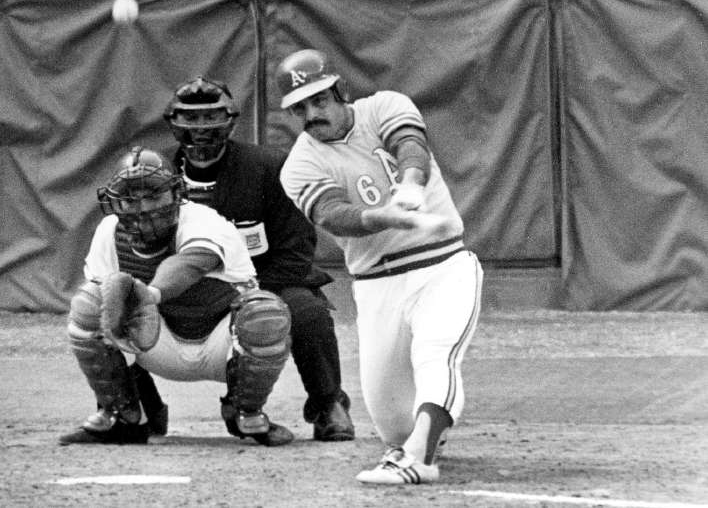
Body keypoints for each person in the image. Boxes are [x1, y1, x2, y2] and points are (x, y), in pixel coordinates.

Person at [275, 50, 483, 485]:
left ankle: (421, 459)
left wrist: (411, 184)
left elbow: (411, 147)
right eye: (300, 108)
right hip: (376, 283)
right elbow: (333, 215)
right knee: (394, 424)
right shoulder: (298, 165)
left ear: (340, 91)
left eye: (319, 100)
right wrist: (385, 217)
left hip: (441, 265)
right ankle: (416, 437)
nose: (312, 115)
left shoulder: (385, 105)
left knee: (436, 355)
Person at [126, 76, 355, 442]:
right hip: (178, 285)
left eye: (211, 117)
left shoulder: (270, 168)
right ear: (173, 122)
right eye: (191, 118)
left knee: (308, 310)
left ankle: (328, 404)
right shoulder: (155, 175)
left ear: (230, 120)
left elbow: (295, 253)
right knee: (112, 302)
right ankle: (137, 408)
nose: (201, 128)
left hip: (259, 283)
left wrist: (246, 293)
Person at [60, 146, 294, 447]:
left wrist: (150, 294)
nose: (143, 208)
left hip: (225, 345)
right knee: (89, 304)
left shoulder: (203, 220)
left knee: (264, 314)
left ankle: (246, 412)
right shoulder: (109, 230)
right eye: (131, 198)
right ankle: (126, 415)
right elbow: (101, 303)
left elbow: (189, 265)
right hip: (155, 343)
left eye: (153, 195)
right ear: (115, 201)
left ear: (176, 193)